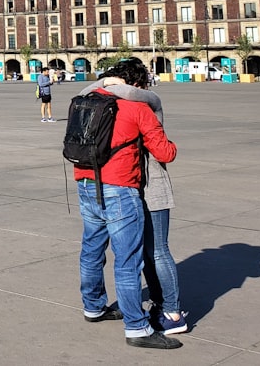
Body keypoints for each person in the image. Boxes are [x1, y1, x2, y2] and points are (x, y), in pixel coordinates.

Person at [71, 70, 182, 349]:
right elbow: (165, 152)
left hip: (85, 182)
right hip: (119, 188)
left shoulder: (86, 100)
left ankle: (93, 307)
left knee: (92, 249)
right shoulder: (137, 107)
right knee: (128, 260)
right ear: (136, 86)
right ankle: (137, 327)